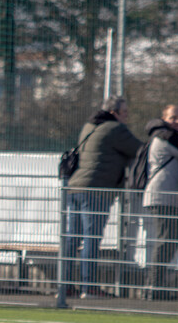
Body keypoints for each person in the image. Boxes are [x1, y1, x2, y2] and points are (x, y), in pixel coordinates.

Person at [61, 95, 143, 299]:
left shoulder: (89, 126)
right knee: (91, 238)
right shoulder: (115, 129)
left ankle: (65, 286)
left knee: (73, 237)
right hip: (97, 190)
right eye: (124, 112)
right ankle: (89, 287)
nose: (127, 116)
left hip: (75, 187)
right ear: (114, 113)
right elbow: (140, 149)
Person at [141, 105, 178, 300]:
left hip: (168, 196)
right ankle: (154, 287)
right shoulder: (166, 138)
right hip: (161, 196)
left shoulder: (170, 137)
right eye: (173, 117)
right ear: (164, 118)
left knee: (169, 242)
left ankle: (156, 285)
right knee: (165, 241)